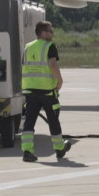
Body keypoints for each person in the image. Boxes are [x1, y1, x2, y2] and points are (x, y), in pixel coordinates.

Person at [20, 21, 73, 162]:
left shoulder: (27, 47)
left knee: (29, 122)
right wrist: (60, 80)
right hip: (47, 91)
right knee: (53, 120)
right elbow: (52, 64)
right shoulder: (49, 46)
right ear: (42, 33)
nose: (52, 34)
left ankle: (27, 151)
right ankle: (59, 148)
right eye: (50, 31)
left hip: (30, 91)